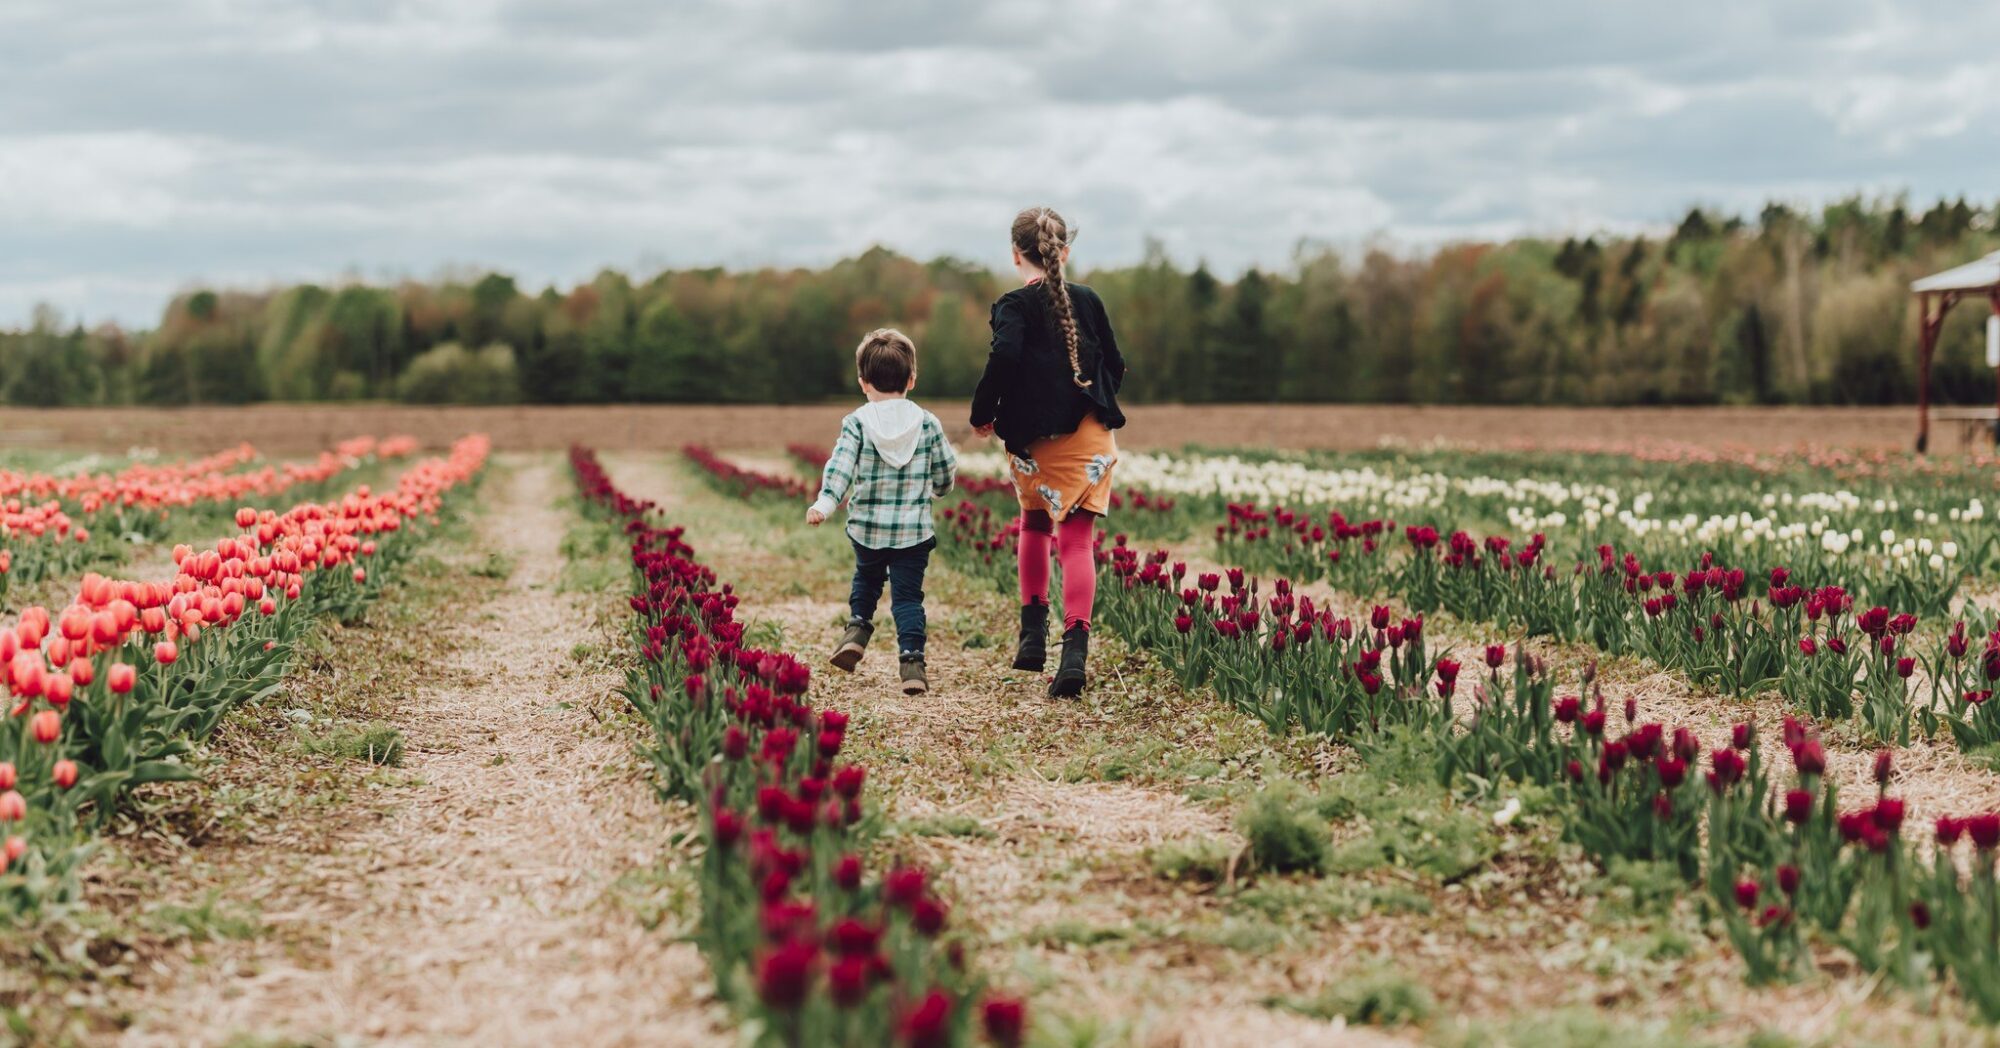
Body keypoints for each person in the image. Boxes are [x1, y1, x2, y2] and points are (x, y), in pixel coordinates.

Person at [969, 207, 1127, 698]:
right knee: (1076, 543)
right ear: (1065, 252)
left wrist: (984, 411)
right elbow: (1115, 363)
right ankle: (1073, 656)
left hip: (1031, 444)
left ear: (1016, 255)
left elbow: (1006, 355)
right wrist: (1087, 398)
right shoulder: (1089, 300)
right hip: (1086, 438)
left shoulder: (1013, 305)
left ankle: (1031, 639)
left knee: (1033, 525)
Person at [808, 328, 958, 695]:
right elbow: (945, 471)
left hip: (868, 528)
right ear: (911, 379)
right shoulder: (927, 423)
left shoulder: (858, 423)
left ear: (863, 382)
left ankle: (857, 628)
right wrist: (939, 489)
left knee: (867, 579)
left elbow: (840, 467)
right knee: (908, 598)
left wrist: (825, 503)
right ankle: (912, 664)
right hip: (913, 532)